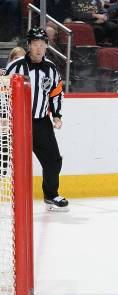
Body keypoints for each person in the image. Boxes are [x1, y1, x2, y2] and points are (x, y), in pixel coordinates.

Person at [4, 28, 69, 211]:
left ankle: (51, 195)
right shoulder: (14, 66)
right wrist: (3, 118)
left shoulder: (51, 68)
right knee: (6, 162)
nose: (39, 49)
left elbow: (56, 93)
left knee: (54, 160)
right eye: (35, 45)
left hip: (41, 123)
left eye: (42, 45)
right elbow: (3, 93)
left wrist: (56, 115)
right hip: (16, 123)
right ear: (28, 46)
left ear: (47, 46)